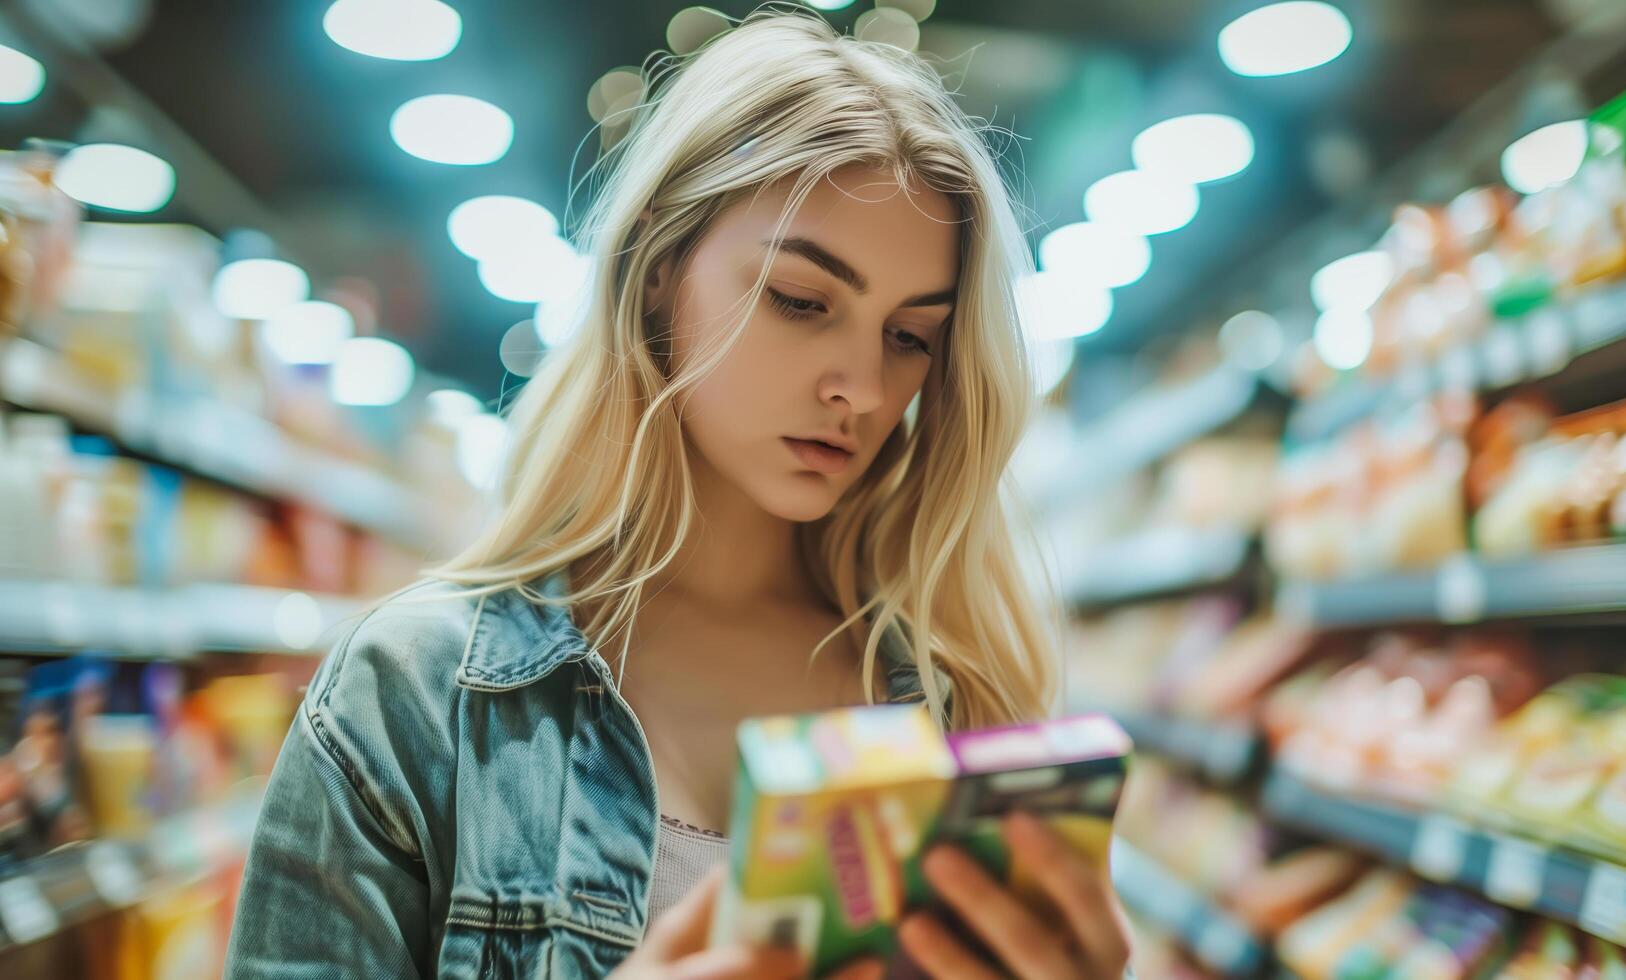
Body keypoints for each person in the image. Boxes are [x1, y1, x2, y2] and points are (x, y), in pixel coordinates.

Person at [225, 9, 1132, 979]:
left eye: (909, 335)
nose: (862, 388)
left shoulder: (962, 705)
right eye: (801, 299)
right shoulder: (416, 693)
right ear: (660, 271)